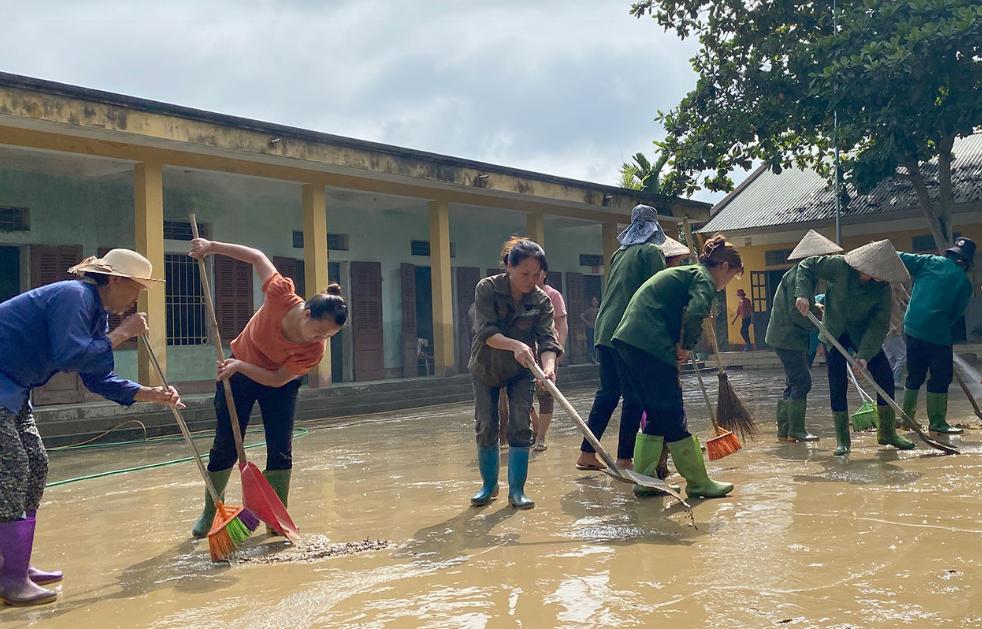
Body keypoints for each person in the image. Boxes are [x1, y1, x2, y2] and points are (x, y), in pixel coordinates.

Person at [0, 249, 183, 606]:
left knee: (36, 464)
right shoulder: (74, 296)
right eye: (135, 290)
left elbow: (96, 377)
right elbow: (70, 355)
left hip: (15, 388)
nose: (135, 300)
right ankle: (10, 578)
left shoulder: (95, 315)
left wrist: (151, 395)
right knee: (13, 469)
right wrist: (123, 334)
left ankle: (15, 561)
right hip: (4, 383)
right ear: (114, 281)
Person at [189, 238, 348, 538]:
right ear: (305, 313)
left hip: (278, 383)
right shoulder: (280, 296)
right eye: (318, 330)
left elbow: (276, 380)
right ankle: (211, 512)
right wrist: (210, 246)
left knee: (280, 448)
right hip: (237, 374)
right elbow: (256, 254)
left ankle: (277, 517)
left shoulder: (314, 351)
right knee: (225, 444)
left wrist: (241, 367)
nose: (320, 338)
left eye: (329, 336)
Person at [611, 234, 743, 499]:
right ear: (724, 267)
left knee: (657, 412)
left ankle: (646, 479)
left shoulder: (688, 273)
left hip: (629, 340)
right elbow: (695, 313)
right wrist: (686, 345)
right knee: (671, 410)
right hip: (647, 342)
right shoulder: (704, 278)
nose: (725, 285)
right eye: (730, 279)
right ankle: (697, 481)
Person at [574, 203, 682, 471]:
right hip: (627, 332)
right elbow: (659, 295)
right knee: (634, 396)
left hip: (604, 328)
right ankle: (625, 458)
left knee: (608, 393)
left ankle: (587, 453)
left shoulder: (618, 254)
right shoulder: (652, 252)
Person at [794, 240, 913, 455]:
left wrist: (864, 356)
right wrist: (803, 294)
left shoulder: (882, 289)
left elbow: (878, 325)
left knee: (884, 375)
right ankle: (843, 440)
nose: (880, 276)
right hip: (835, 330)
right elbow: (807, 265)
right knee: (837, 381)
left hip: (862, 334)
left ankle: (887, 432)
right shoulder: (839, 266)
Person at [469, 238, 561, 510]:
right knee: (486, 424)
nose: (530, 280)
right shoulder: (487, 288)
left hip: (522, 370)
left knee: (521, 425)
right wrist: (516, 345)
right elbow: (486, 332)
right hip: (487, 365)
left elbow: (547, 340)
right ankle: (489, 485)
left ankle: (517, 491)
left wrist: (548, 368)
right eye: (524, 274)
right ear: (509, 266)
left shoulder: (542, 300)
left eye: (536, 275)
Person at [764, 229, 843, 442]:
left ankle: (785, 430)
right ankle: (796, 430)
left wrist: (816, 307)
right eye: (825, 259)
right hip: (787, 337)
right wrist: (819, 326)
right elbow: (796, 313)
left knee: (793, 381)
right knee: (803, 381)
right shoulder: (800, 277)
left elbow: (805, 304)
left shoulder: (803, 276)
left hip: (784, 336)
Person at [899, 237, 975, 434]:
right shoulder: (964, 283)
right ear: (966, 262)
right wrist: (939, 327)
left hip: (911, 328)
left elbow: (898, 257)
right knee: (941, 377)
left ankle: (907, 419)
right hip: (937, 333)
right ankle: (937, 423)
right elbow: (956, 314)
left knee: (914, 375)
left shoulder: (928, 261)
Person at [530, 261, 568, 451]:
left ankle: (541, 437)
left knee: (546, 394)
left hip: (546, 350)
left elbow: (561, 325)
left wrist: (558, 349)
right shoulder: (521, 294)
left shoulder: (552, 295)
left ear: (544, 273)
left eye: (537, 272)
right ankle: (536, 427)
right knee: (523, 394)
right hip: (526, 350)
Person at [882, 282, 910, 388]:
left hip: (891, 329)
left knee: (890, 357)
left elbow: (906, 302)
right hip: (891, 329)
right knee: (903, 355)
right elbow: (907, 300)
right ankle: (894, 379)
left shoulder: (895, 287)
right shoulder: (890, 288)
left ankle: (888, 380)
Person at [580, 296, 600, 363]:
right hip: (591, 328)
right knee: (591, 342)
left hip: (597, 328)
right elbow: (581, 316)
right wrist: (587, 323)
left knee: (597, 342)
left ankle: (597, 358)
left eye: (596, 301)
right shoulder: (589, 310)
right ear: (591, 302)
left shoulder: (599, 309)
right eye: (594, 301)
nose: (595, 302)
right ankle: (592, 358)